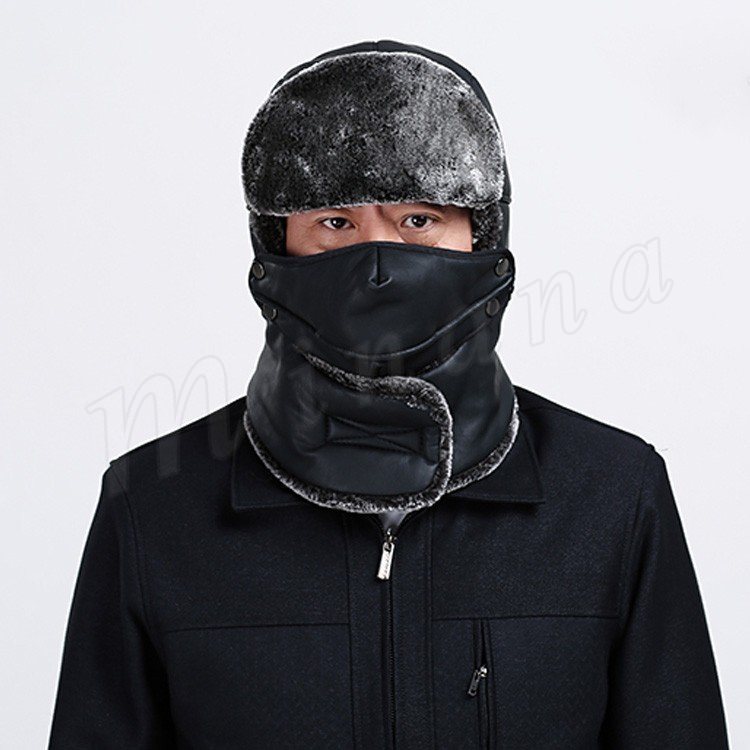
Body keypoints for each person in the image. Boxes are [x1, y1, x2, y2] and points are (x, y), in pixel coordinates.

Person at [48, 39, 729, 748]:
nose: (377, 268)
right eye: (335, 223)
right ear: (275, 249)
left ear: (483, 242)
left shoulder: (613, 497)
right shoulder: (153, 510)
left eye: (419, 221)